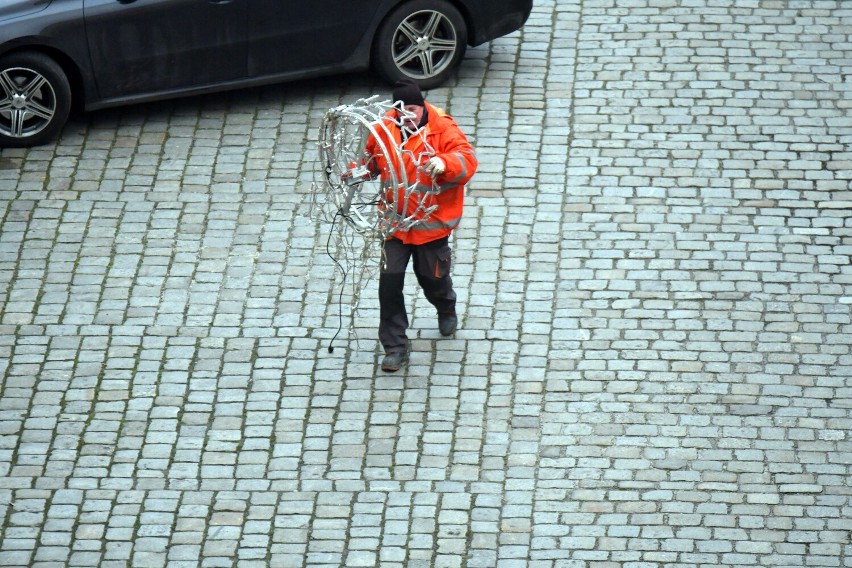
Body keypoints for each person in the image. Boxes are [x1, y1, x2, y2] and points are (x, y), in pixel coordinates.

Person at [364, 79, 478, 372]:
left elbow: (467, 160)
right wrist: (354, 173)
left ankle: (445, 305)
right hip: (395, 224)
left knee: (433, 279)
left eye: (411, 110)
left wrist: (445, 163)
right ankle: (394, 347)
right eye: (400, 111)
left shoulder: (442, 127)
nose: (406, 117)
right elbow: (370, 163)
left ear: (422, 107)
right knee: (389, 285)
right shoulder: (383, 129)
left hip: (431, 226)